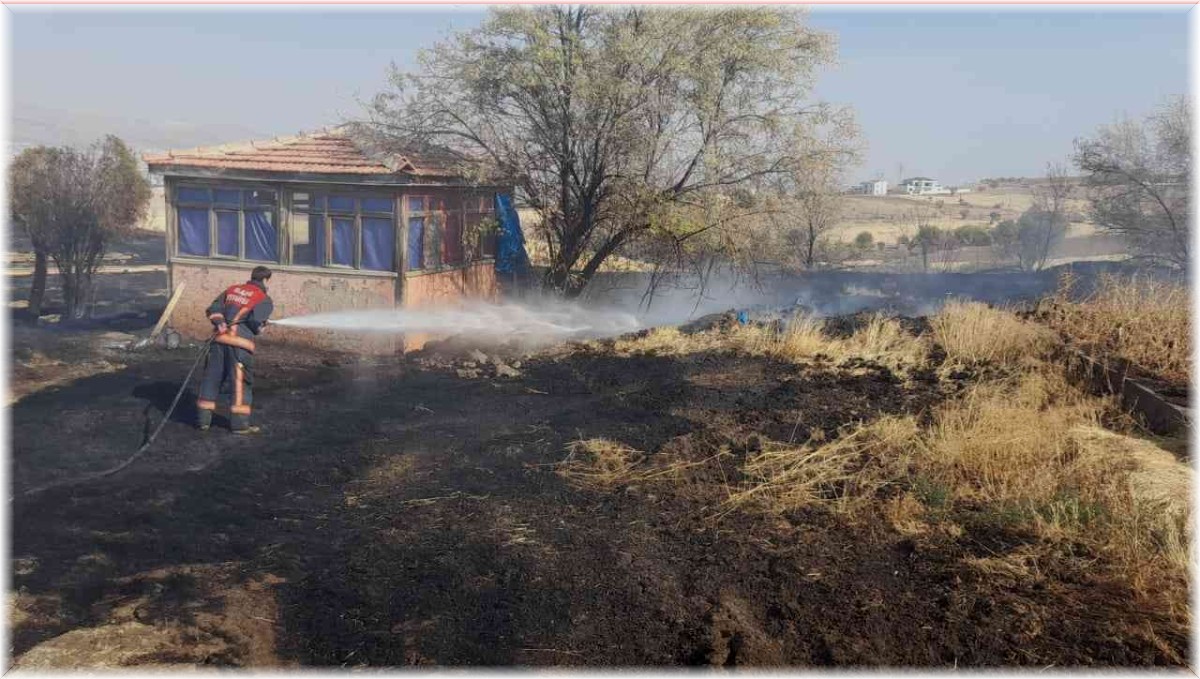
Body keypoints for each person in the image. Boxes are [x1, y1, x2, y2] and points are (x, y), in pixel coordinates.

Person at [195, 266, 274, 434]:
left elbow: (213, 308)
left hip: (218, 341)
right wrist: (261, 328)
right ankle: (239, 424)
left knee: (212, 377)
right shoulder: (264, 298)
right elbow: (255, 322)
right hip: (240, 346)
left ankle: (203, 421)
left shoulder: (232, 290)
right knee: (240, 383)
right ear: (266, 280)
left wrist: (219, 322)